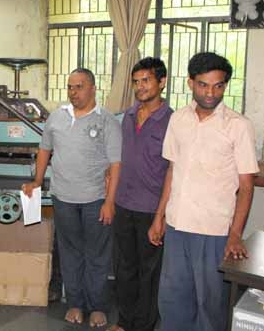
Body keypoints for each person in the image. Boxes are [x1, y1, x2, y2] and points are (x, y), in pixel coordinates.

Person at [148, 52, 259, 331]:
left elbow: (246, 186)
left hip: (214, 230)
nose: (211, 92)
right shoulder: (179, 120)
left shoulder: (238, 126)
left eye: (218, 85)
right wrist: (159, 216)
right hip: (177, 225)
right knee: (173, 300)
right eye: (203, 85)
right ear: (190, 83)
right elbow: (173, 169)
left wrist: (235, 235)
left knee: (210, 303)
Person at [23, 68, 122, 328]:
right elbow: (44, 150)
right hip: (63, 197)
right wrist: (36, 180)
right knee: (69, 253)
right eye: (70, 87)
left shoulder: (106, 121)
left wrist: (110, 201)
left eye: (79, 86)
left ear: (92, 89)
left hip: (95, 200)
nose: (73, 92)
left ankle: (98, 306)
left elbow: (115, 165)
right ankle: (76, 304)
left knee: (97, 255)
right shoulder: (57, 117)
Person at [108, 57, 173, 331]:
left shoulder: (172, 120)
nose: (140, 86)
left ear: (162, 82)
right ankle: (124, 322)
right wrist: (110, 198)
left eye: (146, 80)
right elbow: (118, 161)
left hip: (151, 209)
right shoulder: (128, 116)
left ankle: (143, 327)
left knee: (149, 274)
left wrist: (161, 216)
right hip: (124, 204)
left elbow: (174, 170)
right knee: (124, 269)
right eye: (136, 81)